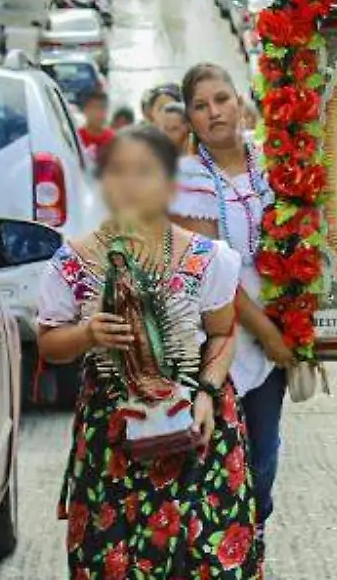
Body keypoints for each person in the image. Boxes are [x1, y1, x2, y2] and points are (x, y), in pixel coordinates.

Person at [37, 128, 260, 578]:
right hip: (112, 436)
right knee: (111, 562)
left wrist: (206, 394)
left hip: (197, 428)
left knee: (203, 560)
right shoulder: (73, 262)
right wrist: (87, 335)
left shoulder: (207, 258)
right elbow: (49, 343)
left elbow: (222, 334)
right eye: (118, 171)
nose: (130, 184)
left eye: (145, 171)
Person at [170, 63, 294, 571]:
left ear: (240, 102)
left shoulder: (273, 160)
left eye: (222, 99)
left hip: (276, 331)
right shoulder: (189, 179)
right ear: (191, 119)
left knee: (263, 458)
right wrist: (266, 331)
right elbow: (213, 273)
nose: (215, 112)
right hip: (219, 339)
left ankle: (251, 550)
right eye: (201, 106)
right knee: (218, 459)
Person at [78, 90, 115, 158]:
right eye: (95, 108)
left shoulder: (113, 140)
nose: (99, 113)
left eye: (102, 108)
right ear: (85, 110)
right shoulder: (77, 137)